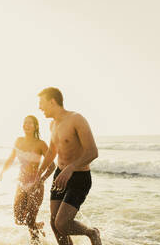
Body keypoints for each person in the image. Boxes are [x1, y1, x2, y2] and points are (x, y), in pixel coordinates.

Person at [35, 87, 102, 245]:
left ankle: (91, 232)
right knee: (54, 223)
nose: (40, 107)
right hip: (60, 175)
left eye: (41, 103)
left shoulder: (76, 119)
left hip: (79, 177)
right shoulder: (52, 125)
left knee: (62, 223)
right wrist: (39, 174)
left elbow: (93, 152)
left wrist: (70, 168)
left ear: (52, 101)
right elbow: (52, 151)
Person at [0, 115, 55, 244]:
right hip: (21, 184)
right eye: (25, 123)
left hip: (35, 186)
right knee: (18, 219)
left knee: (29, 220)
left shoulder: (41, 144)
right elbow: (11, 159)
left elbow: (52, 166)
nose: (26, 125)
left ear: (36, 126)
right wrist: (1, 173)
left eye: (30, 123)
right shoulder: (18, 141)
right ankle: (36, 226)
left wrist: (41, 180)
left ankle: (36, 241)